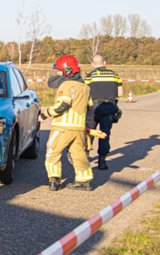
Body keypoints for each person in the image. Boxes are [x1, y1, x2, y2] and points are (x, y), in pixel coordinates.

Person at [40, 55, 94, 191]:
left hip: (63, 126)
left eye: (59, 71)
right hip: (79, 128)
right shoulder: (85, 87)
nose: (57, 74)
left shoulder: (66, 85)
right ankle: (84, 181)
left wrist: (44, 115)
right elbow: (89, 106)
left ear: (67, 71)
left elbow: (63, 105)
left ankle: (54, 180)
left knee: (52, 152)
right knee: (78, 154)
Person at [84, 54, 122, 170]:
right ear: (105, 63)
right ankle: (102, 161)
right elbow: (120, 93)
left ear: (93, 64)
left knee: (89, 132)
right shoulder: (115, 76)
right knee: (105, 134)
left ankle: (85, 159)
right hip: (109, 107)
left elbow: (84, 92)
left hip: (93, 108)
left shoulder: (90, 76)